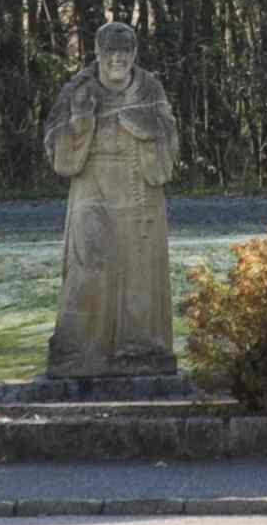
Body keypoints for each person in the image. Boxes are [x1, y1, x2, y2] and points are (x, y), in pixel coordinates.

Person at [43, 20, 177, 376]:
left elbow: (168, 137)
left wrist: (147, 130)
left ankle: (139, 351)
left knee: (139, 271)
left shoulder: (150, 88)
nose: (118, 59)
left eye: (125, 52)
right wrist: (81, 122)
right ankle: (79, 352)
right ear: (99, 53)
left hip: (138, 190)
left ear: (133, 54)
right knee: (88, 265)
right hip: (93, 187)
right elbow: (57, 149)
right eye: (111, 52)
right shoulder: (80, 89)